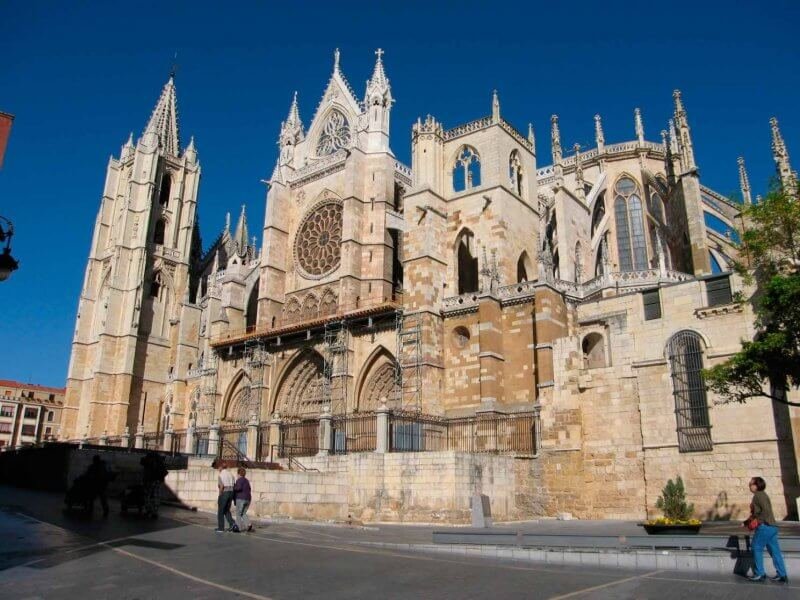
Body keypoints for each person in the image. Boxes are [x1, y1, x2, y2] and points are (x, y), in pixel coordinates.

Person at [746, 476, 789, 584]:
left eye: (751, 484)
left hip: (765, 527)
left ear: (756, 486)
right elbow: (761, 512)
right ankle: (782, 574)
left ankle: (760, 574)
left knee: (756, 547)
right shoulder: (763, 495)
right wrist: (747, 522)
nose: (749, 486)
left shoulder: (758, 496)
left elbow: (765, 512)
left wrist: (758, 521)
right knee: (775, 551)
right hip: (772, 527)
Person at [140, 451, 168, 519]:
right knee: (156, 496)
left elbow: (145, 471)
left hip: (150, 480)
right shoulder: (159, 462)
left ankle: (149, 510)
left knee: (147, 495)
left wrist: (144, 481)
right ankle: (154, 511)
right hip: (158, 480)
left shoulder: (149, 461)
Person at [215, 461, 238, 533]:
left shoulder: (221, 475)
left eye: (218, 467)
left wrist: (220, 495)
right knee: (226, 510)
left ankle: (221, 528)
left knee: (220, 511)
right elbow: (234, 485)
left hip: (224, 492)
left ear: (221, 467)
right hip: (231, 492)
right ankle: (232, 523)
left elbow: (221, 486)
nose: (218, 469)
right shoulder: (231, 474)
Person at [233, 467, 253, 533]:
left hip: (241, 498)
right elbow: (249, 489)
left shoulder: (239, 480)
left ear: (239, 473)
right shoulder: (246, 480)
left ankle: (238, 527)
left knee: (238, 513)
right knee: (243, 513)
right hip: (248, 499)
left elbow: (238, 488)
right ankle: (248, 524)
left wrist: (234, 487)